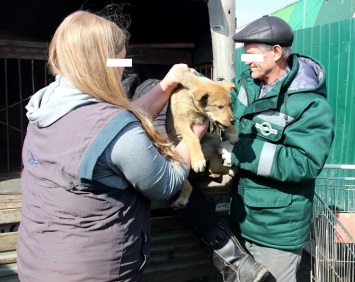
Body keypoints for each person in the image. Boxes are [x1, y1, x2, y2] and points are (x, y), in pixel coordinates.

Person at [17, 10, 210, 281]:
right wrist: (193, 134)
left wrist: (166, 85)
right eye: (120, 60)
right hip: (94, 273)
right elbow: (167, 184)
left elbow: (116, 123)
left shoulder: (45, 104)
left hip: (37, 263)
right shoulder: (117, 130)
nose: (124, 69)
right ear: (99, 63)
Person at [218, 16, 335, 282]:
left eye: (251, 55)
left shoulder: (309, 104)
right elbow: (221, 103)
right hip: (242, 216)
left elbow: (304, 162)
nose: (247, 62)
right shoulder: (247, 86)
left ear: (277, 52)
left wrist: (239, 152)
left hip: (277, 231)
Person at [126, 77, 270, 282]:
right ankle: (233, 259)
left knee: (181, 176)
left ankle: (233, 258)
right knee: (174, 179)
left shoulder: (165, 85)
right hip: (164, 143)